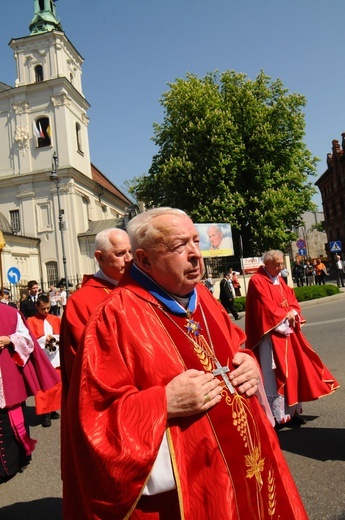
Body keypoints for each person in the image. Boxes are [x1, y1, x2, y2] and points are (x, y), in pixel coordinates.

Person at [63, 208, 308, 519]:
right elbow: (93, 416)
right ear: (144, 260)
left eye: (196, 241)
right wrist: (163, 402)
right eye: (179, 246)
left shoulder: (202, 296)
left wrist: (247, 362)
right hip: (188, 489)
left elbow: (234, 348)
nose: (195, 254)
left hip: (252, 467)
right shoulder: (114, 316)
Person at [245, 249, 339, 428]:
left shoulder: (278, 279)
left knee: (293, 372)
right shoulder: (257, 281)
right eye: (278, 264)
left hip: (287, 333)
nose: (281, 267)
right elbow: (265, 307)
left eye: (281, 264)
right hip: (271, 335)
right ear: (267, 264)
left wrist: (293, 312)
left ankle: (293, 412)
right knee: (273, 374)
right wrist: (284, 315)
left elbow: (291, 299)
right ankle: (277, 416)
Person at [60, 227, 132, 393]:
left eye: (130, 251)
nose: (129, 259)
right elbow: (85, 362)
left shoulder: (140, 288)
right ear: (100, 257)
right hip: (115, 392)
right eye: (120, 253)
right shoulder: (80, 301)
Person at [0, 304, 60, 483]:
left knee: (8, 426)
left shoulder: (9, 313)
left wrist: (9, 340)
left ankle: (11, 465)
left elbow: (27, 340)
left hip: (6, 379)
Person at [27, 295, 61, 428]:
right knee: (44, 387)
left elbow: (62, 335)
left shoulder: (55, 319)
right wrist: (43, 340)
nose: (46, 311)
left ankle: (53, 409)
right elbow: (30, 339)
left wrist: (54, 338)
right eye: (43, 309)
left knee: (56, 386)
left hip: (55, 357)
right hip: (42, 358)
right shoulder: (31, 321)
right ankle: (45, 413)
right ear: (37, 307)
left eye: (47, 308)